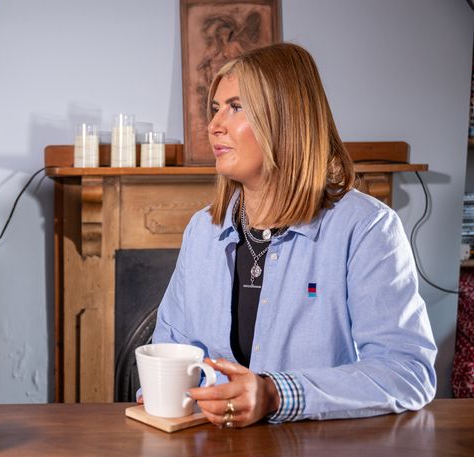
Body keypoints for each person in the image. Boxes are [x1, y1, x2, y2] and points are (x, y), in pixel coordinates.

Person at [152, 43, 436, 427]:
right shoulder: (203, 231)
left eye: (236, 107)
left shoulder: (366, 228)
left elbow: (407, 372)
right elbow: (168, 349)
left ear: (285, 119)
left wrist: (274, 394)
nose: (214, 125)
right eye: (215, 108)